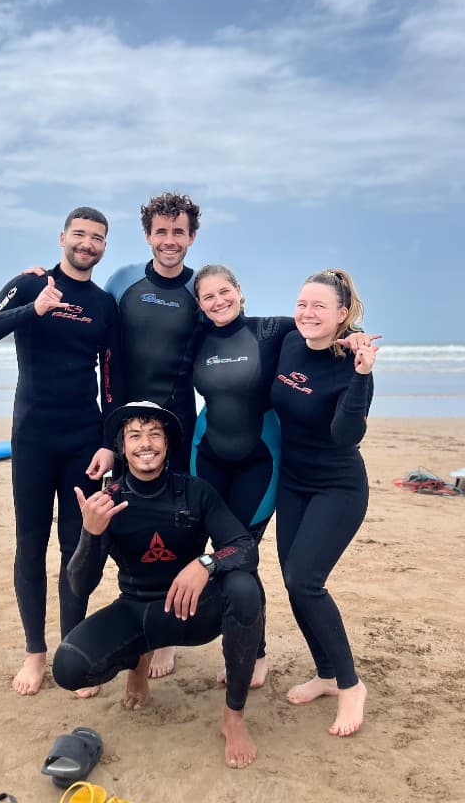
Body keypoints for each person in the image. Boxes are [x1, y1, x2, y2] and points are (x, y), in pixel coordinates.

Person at [0, 207, 124, 697]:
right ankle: (35, 651)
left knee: (76, 545)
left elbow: (111, 379)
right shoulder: (31, 284)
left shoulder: (103, 305)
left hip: (81, 439)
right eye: (80, 234)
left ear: (103, 247)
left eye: (97, 238)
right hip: (32, 435)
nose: (88, 243)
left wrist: (108, 442)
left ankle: (71, 649)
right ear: (62, 238)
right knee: (30, 542)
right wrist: (31, 310)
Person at [51, 402, 263, 769]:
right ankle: (138, 662)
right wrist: (90, 533)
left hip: (192, 612)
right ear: (122, 447)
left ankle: (233, 718)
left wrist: (206, 563)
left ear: (167, 444)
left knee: (245, 589)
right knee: (68, 668)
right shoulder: (108, 502)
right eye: (134, 435)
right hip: (137, 611)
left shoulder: (195, 491)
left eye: (154, 434)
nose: (145, 443)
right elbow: (79, 585)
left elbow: (243, 547)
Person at [191, 264, 374, 690]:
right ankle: (311, 669)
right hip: (259, 471)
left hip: (305, 475)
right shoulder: (274, 340)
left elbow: (347, 432)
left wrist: (360, 351)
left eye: (225, 292)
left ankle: (339, 682)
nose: (218, 302)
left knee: (283, 572)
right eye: (208, 297)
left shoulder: (313, 347)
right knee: (278, 574)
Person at [270, 268, 377, 737]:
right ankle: (327, 675)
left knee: (305, 581)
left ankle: (352, 686)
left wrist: (360, 376)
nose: (307, 313)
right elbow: (229, 314)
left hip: (338, 486)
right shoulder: (289, 339)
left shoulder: (353, 367)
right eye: (301, 304)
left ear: (342, 315)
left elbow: (345, 435)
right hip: (293, 483)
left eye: (319, 306)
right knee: (293, 583)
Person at [102, 191, 202, 679]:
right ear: (147, 235)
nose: (169, 240)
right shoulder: (124, 282)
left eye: (178, 231)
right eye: (161, 232)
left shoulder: (201, 289)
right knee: (129, 524)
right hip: (127, 426)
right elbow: (100, 346)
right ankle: (133, 622)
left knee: (175, 525)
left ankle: (167, 633)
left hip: (177, 425)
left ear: (191, 236)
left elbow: (238, 328)